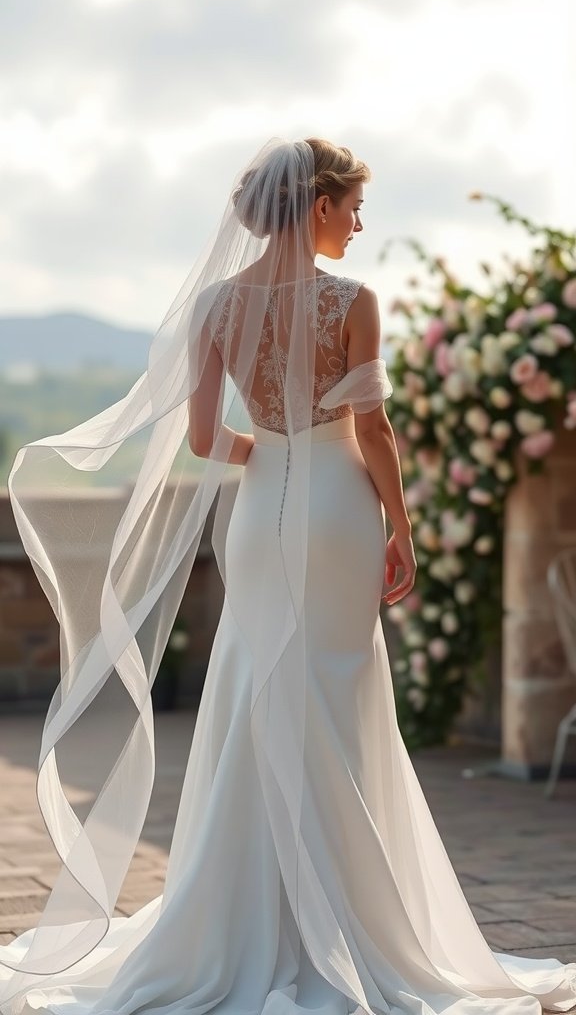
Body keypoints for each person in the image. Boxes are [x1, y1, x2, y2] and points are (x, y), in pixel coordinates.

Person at [0, 137, 575, 1015]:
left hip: (260, 503)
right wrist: (403, 527)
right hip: (338, 507)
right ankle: (351, 916)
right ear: (316, 206)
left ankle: (236, 912)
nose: (359, 222)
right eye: (351, 207)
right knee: (337, 691)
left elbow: (201, 442)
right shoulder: (354, 301)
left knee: (251, 677)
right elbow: (374, 432)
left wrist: (270, 452)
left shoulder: (216, 306)